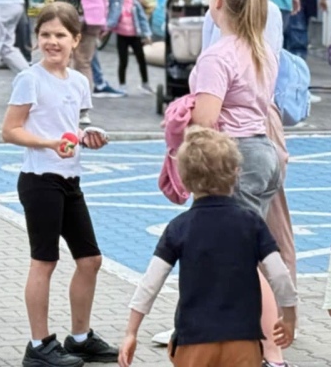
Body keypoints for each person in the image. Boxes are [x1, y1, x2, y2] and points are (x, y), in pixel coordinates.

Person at [117, 128, 297, 367]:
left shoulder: (179, 228)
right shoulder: (251, 223)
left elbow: (150, 282)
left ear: (183, 179)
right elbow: (279, 276)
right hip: (243, 340)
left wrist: (131, 332)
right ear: (236, 172)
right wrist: (289, 318)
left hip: (194, 340)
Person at [2, 2, 116, 367]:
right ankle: (39, 345)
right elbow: (10, 130)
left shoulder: (80, 82)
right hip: (40, 180)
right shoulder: (30, 79)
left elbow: (73, 126)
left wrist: (88, 135)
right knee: (44, 262)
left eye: (60, 35)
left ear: (76, 40)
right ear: (36, 39)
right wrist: (49, 143)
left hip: (69, 179)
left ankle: (79, 339)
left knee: (90, 260)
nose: (52, 42)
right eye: (45, 34)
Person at [188, 0, 290, 365]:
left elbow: (206, 119)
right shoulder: (261, 51)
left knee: (243, 259)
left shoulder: (217, 56)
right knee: (249, 250)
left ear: (218, 2)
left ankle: (271, 352)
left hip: (234, 159)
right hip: (263, 151)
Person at [108, 0, 152, 95]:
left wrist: (147, 34)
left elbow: (142, 19)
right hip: (121, 36)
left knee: (141, 59)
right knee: (123, 61)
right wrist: (105, 28)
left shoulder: (135, 3)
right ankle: (122, 85)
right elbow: (108, 15)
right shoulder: (114, 0)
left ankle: (145, 84)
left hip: (135, 36)